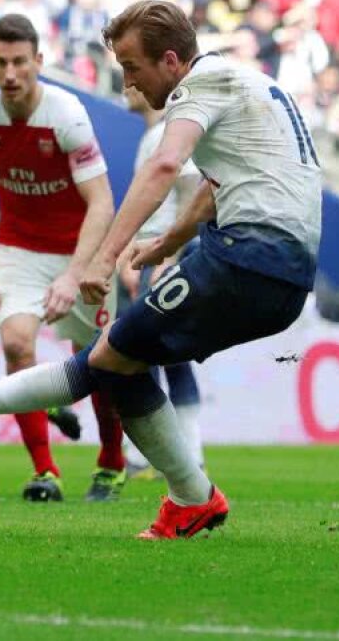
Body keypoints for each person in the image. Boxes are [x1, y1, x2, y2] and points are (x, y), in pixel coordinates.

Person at [0, 0, 323, 539]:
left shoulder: (199, 87)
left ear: (170, 61)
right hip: (286, 275)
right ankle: (189, 497)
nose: (127, 84)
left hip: (246, 257)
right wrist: (170, 240)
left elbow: (165, 165)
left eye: (131, 67)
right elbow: (216, 186)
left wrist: (104, 258)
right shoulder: (249, 85)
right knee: (117, 358)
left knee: (110, 356)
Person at [0, 15, 124, 503]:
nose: (11, 73)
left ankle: (111, 462)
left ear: (39, 62)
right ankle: (45, 471)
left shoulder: (67, 115)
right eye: (1, 63)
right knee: (15, 343)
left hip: (82, 250)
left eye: (20, 62)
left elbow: (102, 202)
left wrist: (75, 274)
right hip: (19, 249)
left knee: (99, 363)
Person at [121, 80, 206, 477]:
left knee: (146, 353)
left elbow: (190, 193)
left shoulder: (171, 133)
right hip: (153, 252)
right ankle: (185, 452)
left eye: (133, 77)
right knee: (166, 355)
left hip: (167, 254)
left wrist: (170, 256)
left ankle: (151, 454)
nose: (126, 86)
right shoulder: (154, 135)